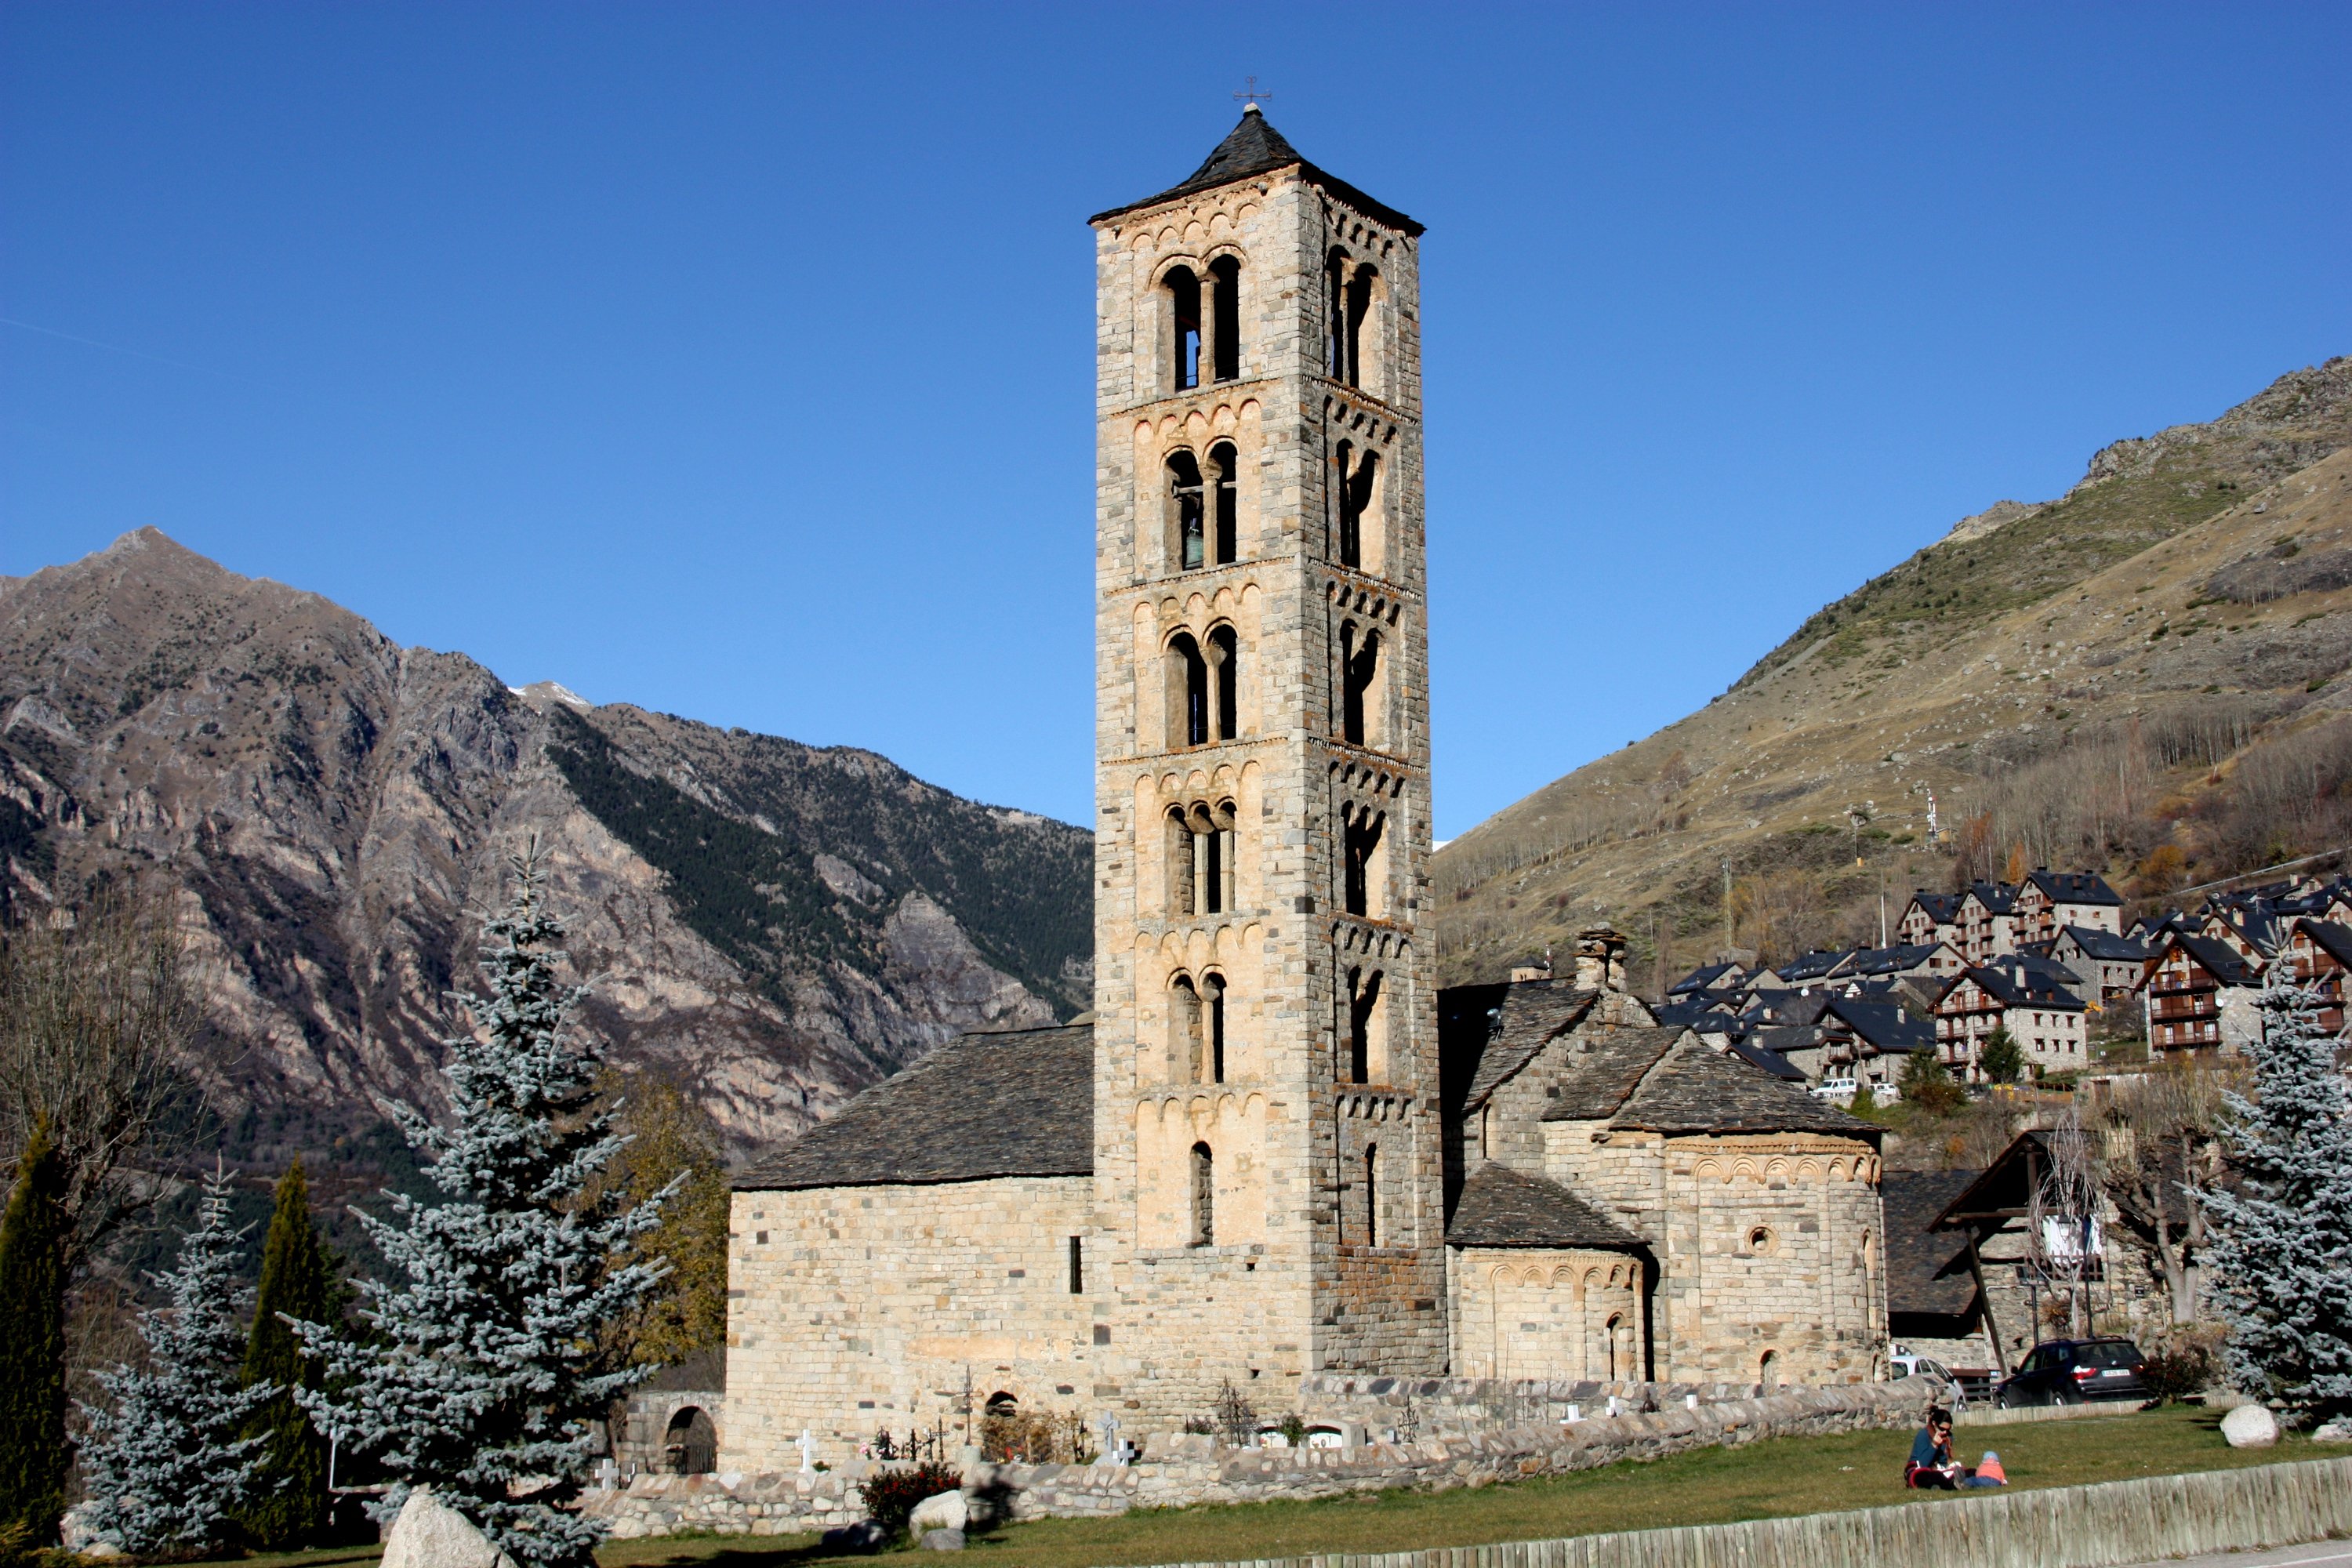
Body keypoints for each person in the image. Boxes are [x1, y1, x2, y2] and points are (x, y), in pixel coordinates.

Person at [1905, 1409, 1959, 1489]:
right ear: (1934, 1424)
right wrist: (1934, 1445)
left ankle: (1949, 1482)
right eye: (1942, 1429)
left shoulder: (1948, 1437)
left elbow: (1944, 1462)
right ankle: (1951, 1484)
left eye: (1948, 1430)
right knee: (1932, 1476)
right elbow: (1922, 1464)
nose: (1945, 1432)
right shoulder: (1923, 1435)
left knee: (1970, 1471)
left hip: (1938, 1469)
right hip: (1918, 1469)